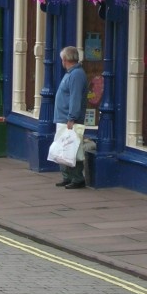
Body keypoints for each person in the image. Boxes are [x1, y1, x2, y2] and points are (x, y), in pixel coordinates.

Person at [53, 46, 88, 189]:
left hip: (69, 120)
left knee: (72, 148)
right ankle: (67, 177)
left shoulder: (76, 75)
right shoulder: (70, 73)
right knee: (63, 148)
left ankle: (78, 178)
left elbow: (75, 97)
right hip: (63, 118)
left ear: (65, 59)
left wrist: (72, 118)